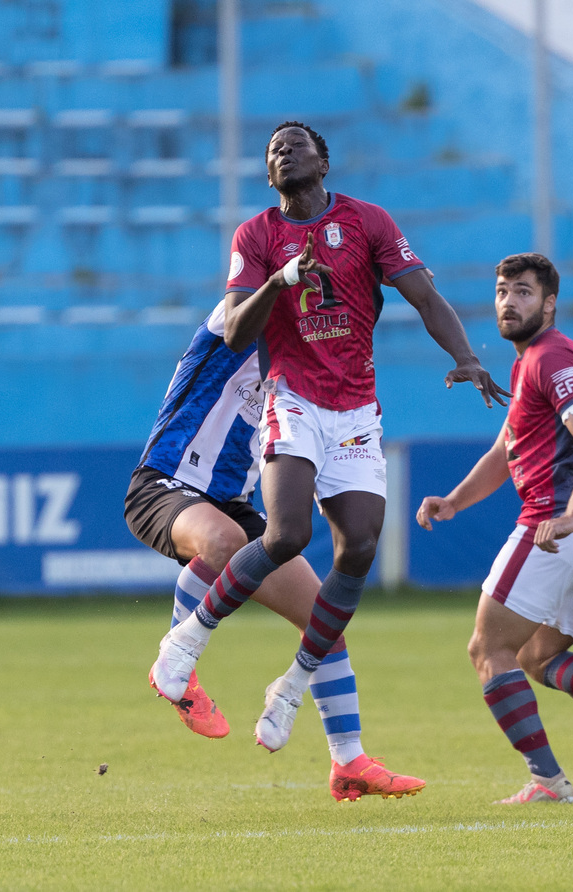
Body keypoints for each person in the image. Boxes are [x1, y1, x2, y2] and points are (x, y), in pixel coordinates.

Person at [150, 119, 509, 761]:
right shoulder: (257, 235)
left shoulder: (368, 222)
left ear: (324, 158)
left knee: (360, 548)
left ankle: (290, 689)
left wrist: (466, 355)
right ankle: (186, 644)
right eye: (272, 150)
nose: (284, 151)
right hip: (292, 398)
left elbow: (425, 296)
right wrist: (281, 281)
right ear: (268, 176)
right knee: (287, 534)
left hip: (356, 410)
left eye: (296, 143)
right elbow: (235, 332)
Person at [125, 303, 425, 801]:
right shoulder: (238, 320)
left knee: (325, 620)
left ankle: (349, 761)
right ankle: (178, 662)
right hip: (166, 484)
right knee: (224, 542)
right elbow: (260, 293)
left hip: (233, 505)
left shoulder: (305, 365)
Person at [416, 252, 573, 805]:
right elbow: (507, 450)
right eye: (503, 290)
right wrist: (455, 501)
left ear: (550, 304)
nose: (509, 301)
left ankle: (548, 783)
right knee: (536, 656)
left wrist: (572, 513)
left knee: (487, 648)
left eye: (524, 292)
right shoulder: (534, 361)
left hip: (561, 529)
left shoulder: (551, 357)